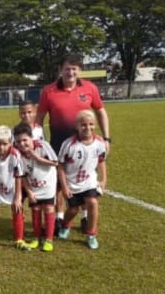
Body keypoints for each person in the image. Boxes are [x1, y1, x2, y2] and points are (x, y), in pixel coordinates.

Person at [36, 54, 111, 234]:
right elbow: (39, 119)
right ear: (60, 70)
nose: (70, 72)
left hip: (85, 145)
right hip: (57, 145)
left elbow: (100, 111)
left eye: (74, 68)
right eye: (67, 68)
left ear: (79, 70)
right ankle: (60, 219)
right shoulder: (49, 91)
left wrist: (107, 138)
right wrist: (40, 144)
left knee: (85, 181)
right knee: (59, 185)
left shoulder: (90, 88)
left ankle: (85, 218)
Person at [56, 110, 107, 250]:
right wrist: (65, 187)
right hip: (72, 184)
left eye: (91, 124)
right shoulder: (69, 144)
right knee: (73, 210)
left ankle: (91, 234)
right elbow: (60, 166)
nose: (87, 128)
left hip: (89, 182)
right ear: (77, 126)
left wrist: (103, 180)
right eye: (83, 124)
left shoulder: (99, 142)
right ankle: (65, 225)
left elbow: (101, 161)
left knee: (92, 202)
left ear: (95, 125)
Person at [13, 122, 58, 252]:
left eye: (25, 140)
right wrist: (29, 191)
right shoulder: (18, 154)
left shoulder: (43, 146)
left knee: (49, 208)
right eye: (18, 141)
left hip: (47, 185)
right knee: (36, 209)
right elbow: (22, 176)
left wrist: (37, 158)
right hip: (33, 187)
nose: (22, 144)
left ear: (31, 137)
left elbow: (55, 163)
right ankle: (37, 238)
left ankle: (49, 240)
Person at [0, 126, 25, 252]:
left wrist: (18, 197)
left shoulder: (15, 154)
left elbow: (18, 176)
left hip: (12, 185)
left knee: (17, 209)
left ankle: (19, 239)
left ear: (10, 143)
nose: (1, 147)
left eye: (5, 144)